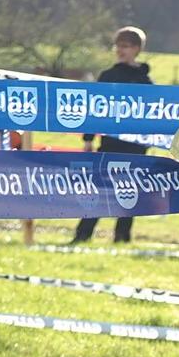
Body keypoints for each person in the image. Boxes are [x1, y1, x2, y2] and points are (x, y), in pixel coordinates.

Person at [70, 25, 154, 245]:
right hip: (110, 143)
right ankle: (82, 235)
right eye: (118, 46)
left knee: (129, 192)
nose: (120, 50)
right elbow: (94, 109)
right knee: (98, 190)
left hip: (135, 145)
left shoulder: (146, 81)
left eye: (125, 46)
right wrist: (88, 139)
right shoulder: (108, 76)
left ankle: (122, 237)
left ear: (136, 49)